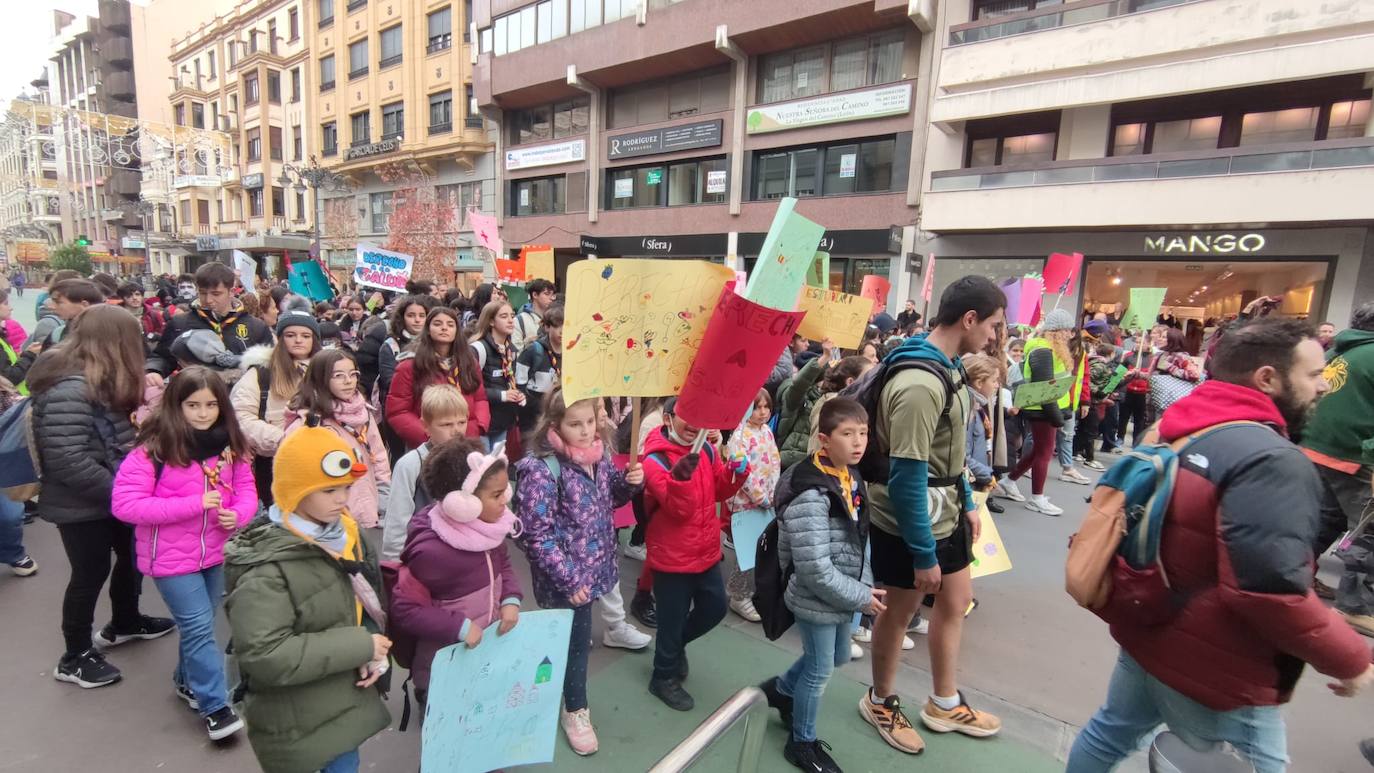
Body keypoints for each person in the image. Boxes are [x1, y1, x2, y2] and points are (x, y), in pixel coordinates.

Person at [1066, 318, 1374, 773]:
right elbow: (1268, 589)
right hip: (1221, 660)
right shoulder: (1270, 459)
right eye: (1313, 374)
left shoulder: (1182, 426)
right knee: (1262, 764)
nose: (1324, 386)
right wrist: (1350, 657)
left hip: (1149, 621)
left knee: (1109, 731)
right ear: (1267, 377)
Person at [862, 276, 1005, 755]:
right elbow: (906, 477)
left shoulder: (951, 368)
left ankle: (944, 702)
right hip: (909, 521)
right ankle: (880, 699)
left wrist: (966, 500)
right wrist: (924, 554)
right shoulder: (921, 383)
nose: (993, 336)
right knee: (899, 612)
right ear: (969, 319)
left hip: (946, 511)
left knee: (956, 601)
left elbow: (952, 452)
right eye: (992, 325)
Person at [223, 426, 392, 773]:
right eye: (329, 489)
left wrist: (373, 654)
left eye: (346, 487)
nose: (342, 498)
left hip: (343, 698)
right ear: (294, 491)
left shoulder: (347, 533)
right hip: (295, 719)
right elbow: (264, 654)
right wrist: (360, 646)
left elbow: (367, 601)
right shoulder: (266, 567)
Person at [29, 305, 175, 688]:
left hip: (109, 495)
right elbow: (67, 460)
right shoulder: (70, 389)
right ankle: (74, 655)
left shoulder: (97, 380)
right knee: (89, 573)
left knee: (132, 557)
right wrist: (124, 493)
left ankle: (125, 621)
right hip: (83, 504)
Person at [110, 366, 256, 740]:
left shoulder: (232, 447)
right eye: (193, 405)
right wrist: (193, 504)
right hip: (171, 560)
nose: (203, 413)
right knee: (197, 626)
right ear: (177, 405)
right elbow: (126, 506)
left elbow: (247, 493)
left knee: (202, 625)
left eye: (211, 405)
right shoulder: (153, 450)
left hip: (216, 552)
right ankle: (215, 707)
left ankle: (185, 679)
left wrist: (236, 514)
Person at [514, 388, 645, 754]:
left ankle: (544, 687)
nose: (587, 430)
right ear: (554, 425)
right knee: (575, 646)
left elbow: (609, 499)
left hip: (594, 568)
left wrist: (631, 484)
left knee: (566, 639)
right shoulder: (542, 470)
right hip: (567, 578)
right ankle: (575, 709)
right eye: (576, 424)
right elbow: (535, 536)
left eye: (590, 421)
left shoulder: (597, 458)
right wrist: (569, 579)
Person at [760, 397, 884, 773]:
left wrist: (863, 585)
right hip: (815, 596)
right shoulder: (810, 492)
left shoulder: (849, 475)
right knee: (819, 670)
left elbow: (858, 538)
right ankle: (802, 742)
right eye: (847, 434)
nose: (858, 442)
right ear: (824, 439)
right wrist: (861, 596)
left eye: (862, 433)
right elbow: (813, 568)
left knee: (837, 657)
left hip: (841, 592)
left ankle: (780, 691)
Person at [390, 436, 523, 717]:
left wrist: (510, 598)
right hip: (446, 663)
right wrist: (459, 628)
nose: (506, 499)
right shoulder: (432, 552)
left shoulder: (489, 528)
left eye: (505, 490)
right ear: (462, 503)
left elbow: (504, 565)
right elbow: (405, 610)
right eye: (497, 495)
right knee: (447, 732)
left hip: (482, 652)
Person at [641, 397, 747, 711]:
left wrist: (735, 473)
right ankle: (662, 677)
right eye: (687, 417)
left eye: (700, 417)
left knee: (715, 607)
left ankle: (675, 648)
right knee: (671, 621)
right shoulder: (655, 460)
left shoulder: (708, 449)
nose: (694, 425)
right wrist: (680, 480)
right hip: (672, 556)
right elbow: (678, 510)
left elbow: (719, 490)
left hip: (705, 550)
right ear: (667, 417)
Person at [1303, 302, 1374, 635]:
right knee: (1368, 531)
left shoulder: (1340, 352)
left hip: (1320, 447)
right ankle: (1356, 604)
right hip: (1355, 455)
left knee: (1324, 520)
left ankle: (1295, 576)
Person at [285, 349, 390, 529]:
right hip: (328, 512)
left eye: (353, 374)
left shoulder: (363, 412)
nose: (348, 381)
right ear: (320, 378)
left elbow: (378, 454)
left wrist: (384, 490)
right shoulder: (309, 423)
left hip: (366, 499)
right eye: (338, 375)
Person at [232, 308, 321, 505]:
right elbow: (241, 417)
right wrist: (283, 439)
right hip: (275, 461)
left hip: (320, 456)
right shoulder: (261, 373)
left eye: (305, 335)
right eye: (291, 335)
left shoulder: (327, 371)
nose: (298, 340)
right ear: (280, 339)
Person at [380, 384, 468, 561]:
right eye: (446, 424)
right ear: (425, 426)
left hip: (463, 556)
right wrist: (395, 564)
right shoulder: (410, 464)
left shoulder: (472, 459)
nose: (456, 430)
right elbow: (397, 520)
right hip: (423, 556)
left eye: (462, 422)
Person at [146, 262, 274, 381]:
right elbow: (163, 357)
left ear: (232, 292)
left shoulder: (256, 326)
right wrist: (154, 370)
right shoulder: (180, 323)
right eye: (202, 293)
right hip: (195, 396)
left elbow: (270, 366)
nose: (208, 300)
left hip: (240, 399)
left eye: (216, 294)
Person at [1006, 309, 1079, 516]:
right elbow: (1045, 388)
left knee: (1039, 451)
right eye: (1066, 330)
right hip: (1043, 410)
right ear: (1056, 331)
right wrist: (1057, 417)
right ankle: (1036, 498)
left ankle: (1009, 480)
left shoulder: (1044, 349)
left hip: (1045, 408)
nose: (1069, 334)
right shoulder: (1043, 351)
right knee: (1044, 453)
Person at [388, 306, 489, 448]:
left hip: (465, 440)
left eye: (450, 324)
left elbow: (480, 399)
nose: (444, 328)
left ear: (457, 330)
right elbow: (398, 411)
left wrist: (476, 428)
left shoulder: (469, 362)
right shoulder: (410, 366)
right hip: (427, 444)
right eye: (437, 324)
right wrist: (431, 435)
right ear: (428, 330)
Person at [723, 389, 782, 624]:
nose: (763, 412)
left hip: (766, 502)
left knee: (760, 548)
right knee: (747, 550)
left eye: (766, 407)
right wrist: (761, 497)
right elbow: (743, 474)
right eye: (758, 407)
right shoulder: (739, 436)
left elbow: (775, 463)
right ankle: (738, 593)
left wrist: (774, 493)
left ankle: (747, 590)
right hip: (747, 503)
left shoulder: (767, 431)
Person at [470, 299, 526, 450]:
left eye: (512, 315)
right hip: (481, 423)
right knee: (483, 469)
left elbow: (509, 381)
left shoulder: (511, 350)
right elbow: (469, 389)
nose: (510, 320)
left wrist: (517, 394)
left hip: (502, 421)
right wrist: (502, 395)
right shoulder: (477, 349)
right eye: (503, 316)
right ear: (491, 321)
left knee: (496, 467)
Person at [515, 305, 564, 435]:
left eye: (566, 326)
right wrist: (528, 404)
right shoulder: (534, 350)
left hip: (557, 408)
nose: (562, 331)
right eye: (557, 326)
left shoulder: (570, 353)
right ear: (547, 327)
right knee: (531, 446)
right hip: (533, 411)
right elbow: (519, 382)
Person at [1150, 326, 1203, 417]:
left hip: (1171, 400)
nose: (1160, 339)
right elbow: (1151, 376)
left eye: (1164, 337)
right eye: (1160, 336)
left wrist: (1170, 368)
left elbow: (1194, 375)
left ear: (1173, 340)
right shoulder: (1160, 355)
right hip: (1155, 398)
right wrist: (1137, 374)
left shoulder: (1181, 356)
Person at [512, 277, 556, 351]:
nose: (551, 298)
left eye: (552, 295)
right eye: (547, 294)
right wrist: (529, 344)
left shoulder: (555, 319)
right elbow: (516, 353)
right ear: (535, 295)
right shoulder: (519, 320)